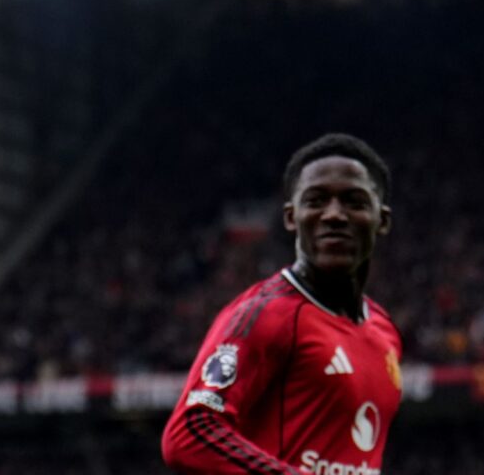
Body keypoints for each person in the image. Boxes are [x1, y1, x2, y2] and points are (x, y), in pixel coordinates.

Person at [162, 133, 402, 474]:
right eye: (316, 200)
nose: (334, 214)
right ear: (291, 217)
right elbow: (190, 432)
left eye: (354, 202)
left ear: (383, 220)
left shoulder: (384, 330)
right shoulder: (266, 315)